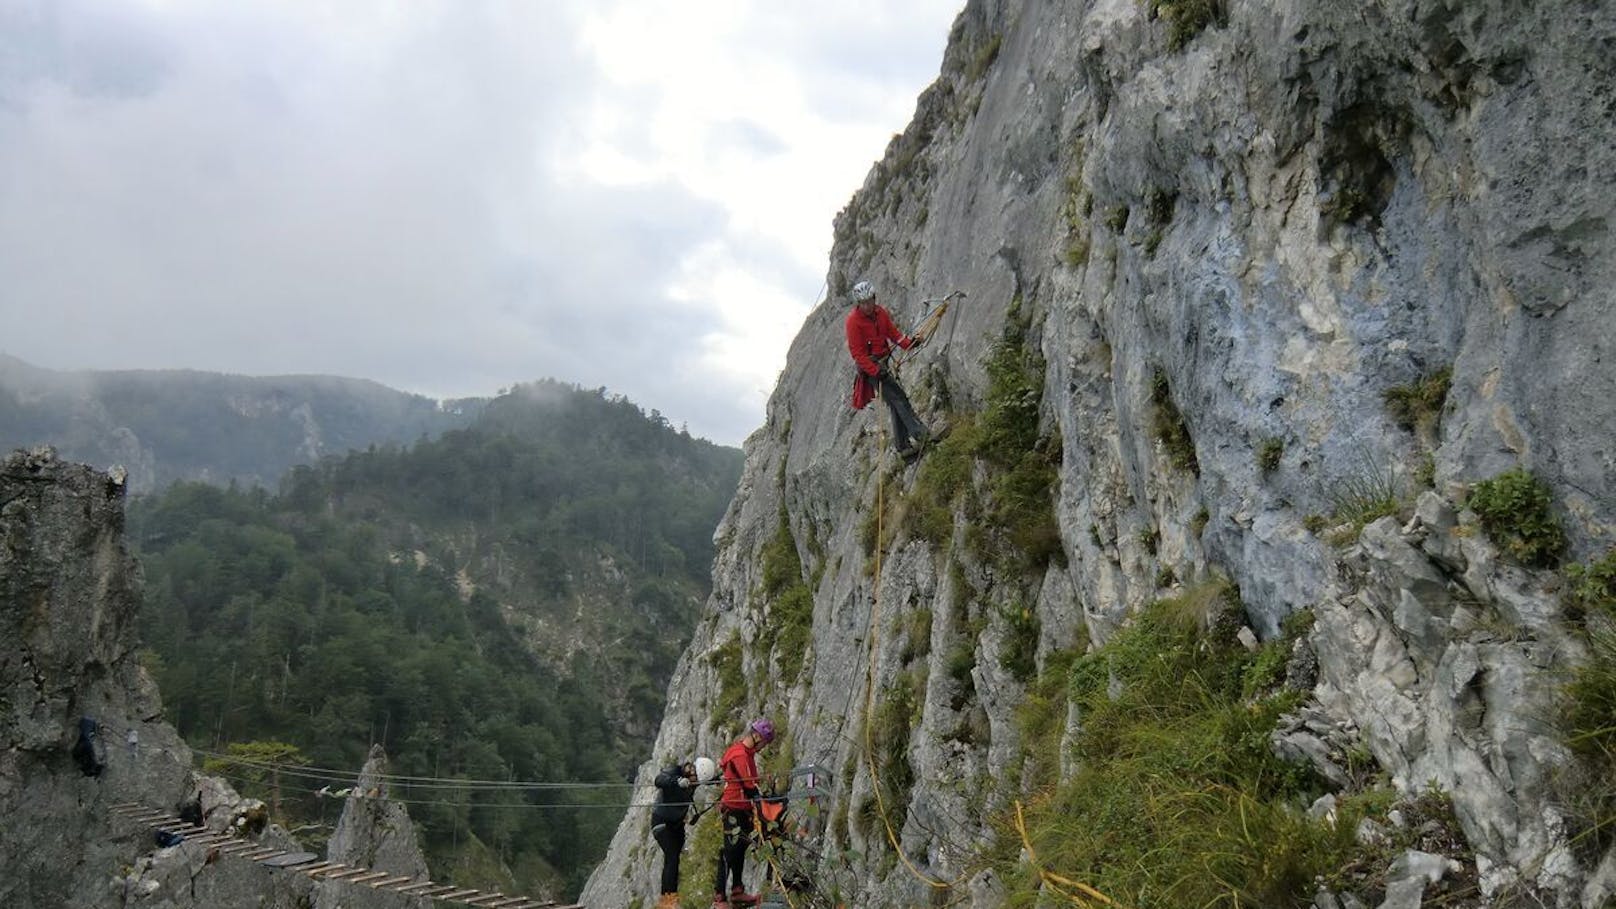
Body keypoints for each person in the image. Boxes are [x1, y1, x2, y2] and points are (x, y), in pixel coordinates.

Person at [845, 280, 934, 460]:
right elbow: (858, 354)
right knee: (899, 399)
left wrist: (910, 344)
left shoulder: (880, 313)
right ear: (858, 304)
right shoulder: (853, 322)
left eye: (870, 301)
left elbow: (893, 334)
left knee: (895, 403)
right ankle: (919, 434)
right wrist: (875, 371)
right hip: (872, 369)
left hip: (883, 363)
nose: (868, 306)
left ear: (874, 298)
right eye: (864, 303)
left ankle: (903, 447)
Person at [713, 718, 775, 907]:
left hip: (741, 808)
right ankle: (720, 897)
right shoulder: (740, 755)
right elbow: (749, 787)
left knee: (739, 848)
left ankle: (737, 891)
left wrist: (762, 780)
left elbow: (748, 781)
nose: (763, 747)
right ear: (757, 737)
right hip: (734, 808)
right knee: (730, 851)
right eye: (764, 742)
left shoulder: (745, 753)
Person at [651, 755, 717, 909]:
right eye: (696, 780)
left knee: (675, 860)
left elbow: (708, 780)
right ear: (691, 771)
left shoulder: (694, 779)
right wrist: (676, 782)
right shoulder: (675, 771)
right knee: (672, 857)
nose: (696, 784)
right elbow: (659, 780)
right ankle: (667, 900)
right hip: (662, 822)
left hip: (677, 825)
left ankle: (670, 898)